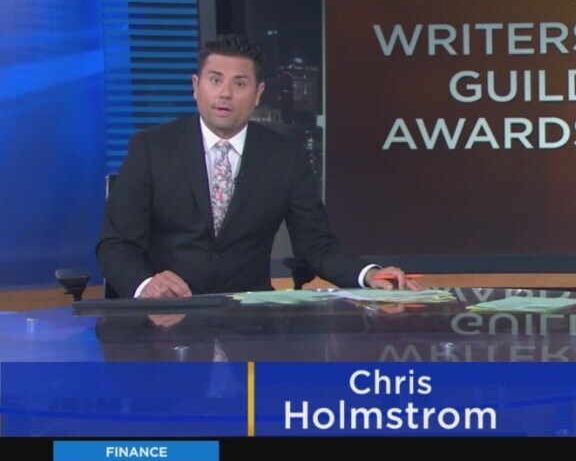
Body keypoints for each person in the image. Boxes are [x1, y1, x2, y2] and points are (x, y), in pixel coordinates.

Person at [97, 34, 421, 299]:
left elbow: (316, 246)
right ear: (195, 86)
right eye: (215, 80)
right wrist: (145, 285)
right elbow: (115, 244)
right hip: (165, 316)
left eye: (239, 84)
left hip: (248, 319)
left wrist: (368, 275)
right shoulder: (152, 148)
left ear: (258, 93)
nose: (225, 93)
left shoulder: (285, 157)